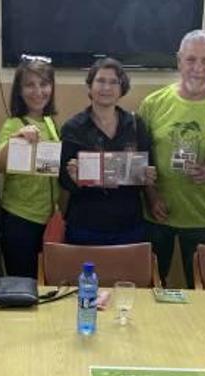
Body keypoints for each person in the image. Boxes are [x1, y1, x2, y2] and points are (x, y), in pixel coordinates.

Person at [139, 30, 205, 288]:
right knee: (151, 286)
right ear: (179, 61)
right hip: (157, 214)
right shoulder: (153, 103)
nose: (198, 68)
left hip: (203, 216)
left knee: (204, 288)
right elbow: (140, 157)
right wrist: (151, 197)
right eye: (191, 60)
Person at [59, 58, 155, 246]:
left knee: (128, 276)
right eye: (100, 81)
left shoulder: (135, 125)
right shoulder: (73, 127)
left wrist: (148, 175)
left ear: (122, 88)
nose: (106, 87)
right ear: (90, 86)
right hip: (86, 224)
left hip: (129, 224)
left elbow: (148, 168)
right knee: (85, 276)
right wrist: (73, 177)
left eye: (113, 82)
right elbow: (62, 179)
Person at [0, 56, 60, 278]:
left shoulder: (51, 122)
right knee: (21, 284)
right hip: (19, 219)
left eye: (44, 84)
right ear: (20, 91)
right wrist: (17, 137)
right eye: (30, 85)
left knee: (45, 281)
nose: (38, 91)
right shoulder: (13, 124)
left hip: (47, 218)